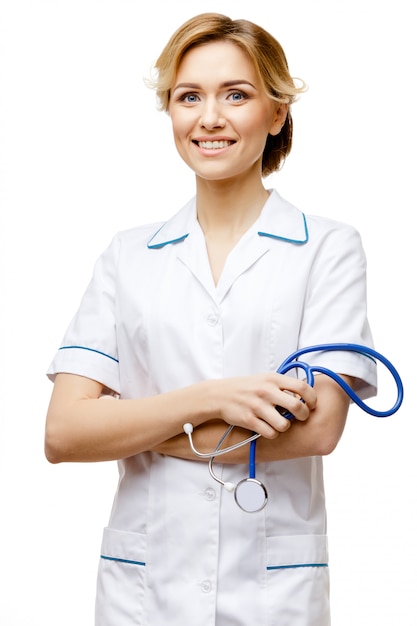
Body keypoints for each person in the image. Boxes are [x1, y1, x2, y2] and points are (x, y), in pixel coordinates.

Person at [45, 12, 377, 626]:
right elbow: (64, 434)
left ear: (277, 113)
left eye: (237, 95)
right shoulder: (127, 255)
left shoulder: (327, 246)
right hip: (143, 590)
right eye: (188, 96)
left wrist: (143, 428)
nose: (210, 118)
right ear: (170, 112)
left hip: (273, 590)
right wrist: (213, 398)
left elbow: (318, 431)